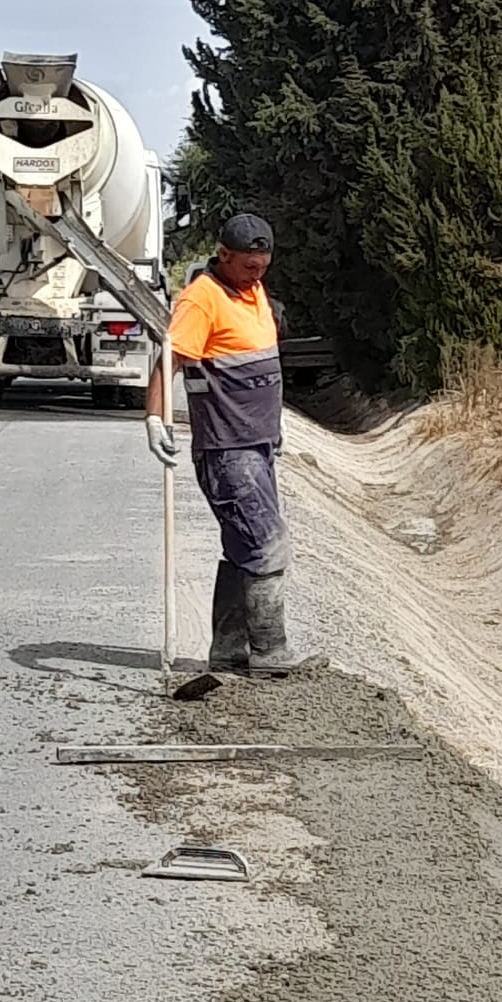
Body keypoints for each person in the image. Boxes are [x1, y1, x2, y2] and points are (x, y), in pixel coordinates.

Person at [145, 213, 316, 676]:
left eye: (263, 266)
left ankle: (227, 650)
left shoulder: (252, 289)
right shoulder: (202, 299)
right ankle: (270, 651)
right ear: (223, 255)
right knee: (266, 544)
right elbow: (168, 361)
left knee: (243, 548)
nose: (256, 274)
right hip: (227, 451)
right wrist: (155, 419)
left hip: (259, 446)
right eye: (248, 266)